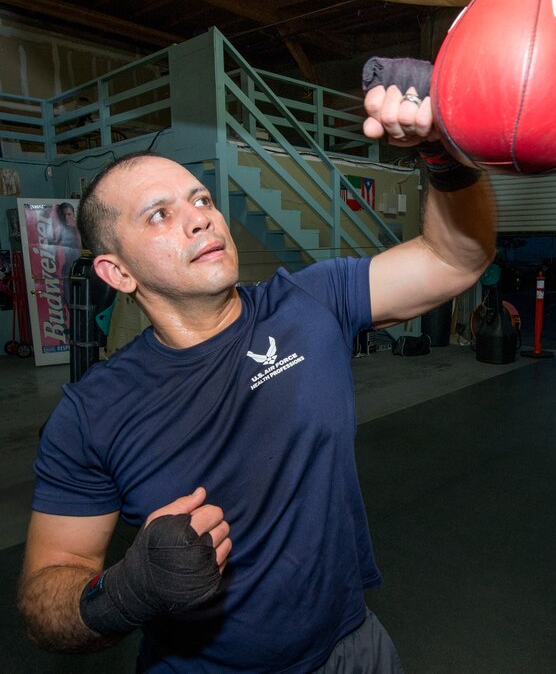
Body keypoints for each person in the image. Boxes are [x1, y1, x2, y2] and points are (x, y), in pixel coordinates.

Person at [18, 58, 497, 673]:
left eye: (201, 198)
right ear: (117, 273)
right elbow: (42, 604)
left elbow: (455, 259)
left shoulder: (309, 303)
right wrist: (127, 592)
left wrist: (442, 152)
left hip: (354, 650)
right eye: (159, 215)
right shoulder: (93, 413)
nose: (201, 216)